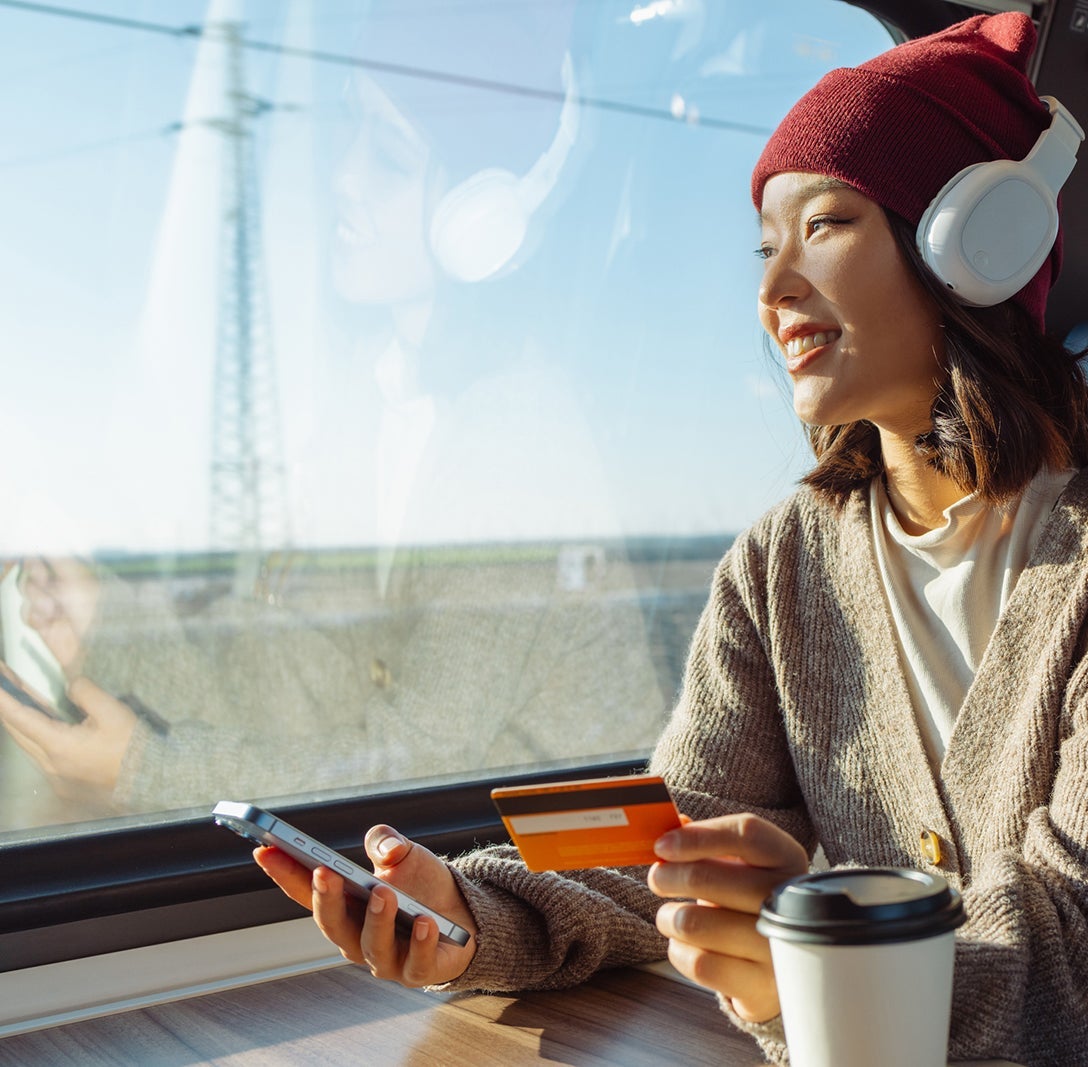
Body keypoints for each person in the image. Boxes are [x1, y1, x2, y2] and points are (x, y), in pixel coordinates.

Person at [256, 13, 1088, 1065]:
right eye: (765, 247)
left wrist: (811, 968)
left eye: (824, 227)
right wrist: (474, 913)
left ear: (974, 243)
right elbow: (677, 847)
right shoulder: (781, 563)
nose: (773, 290)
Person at [0, 2, 671, 823]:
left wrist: (146, 774)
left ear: (479, 218)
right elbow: (306, 685)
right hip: (433, 883)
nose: (343, 177)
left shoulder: (518, 452)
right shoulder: (380, 391)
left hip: (549, 894)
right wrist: (115, 624)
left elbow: (411, 769)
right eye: (350, 134)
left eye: (386, 157)